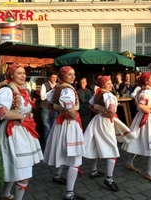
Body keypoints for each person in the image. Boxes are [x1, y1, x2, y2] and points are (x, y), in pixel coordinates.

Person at [0, 63, 44, 200]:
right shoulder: (7, 90)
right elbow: (0, 111)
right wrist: (19, 116)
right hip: (13, 133)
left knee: (16, 168)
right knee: (23, 172)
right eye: (19, 73)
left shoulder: (22, 90)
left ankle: (6, 194)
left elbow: (24, 109)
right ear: (11, 75)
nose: (23, 75)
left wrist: (28, 114)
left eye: (24, 73)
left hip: (23, 131)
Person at [84, 75, 132, 192]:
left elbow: (91, 106)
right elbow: (111, 111)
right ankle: (109, 179)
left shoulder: (97, 94)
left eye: (111, 83)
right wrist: (109, 113)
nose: (111, 85)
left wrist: (100, 111)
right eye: (108, 83)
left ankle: (94, 171)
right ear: (103, 84)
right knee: (111, 147)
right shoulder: (109, 96)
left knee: (95, 143)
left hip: (97, 120)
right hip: (105, 122)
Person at [43, 66, 85, 200]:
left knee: (62, 150)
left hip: (60, 124)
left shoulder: (58, 88)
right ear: (63, 76)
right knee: (74, 159)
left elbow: (49, 103)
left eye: (73, 74)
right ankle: (70, 194)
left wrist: (61, 109)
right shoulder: (67, 90)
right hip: (69, 124)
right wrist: (74, 115)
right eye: (69, 75)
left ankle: (57, 176)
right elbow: (69, 108)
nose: (73, 77)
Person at [122, 72, 151, 182]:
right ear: (146, 81)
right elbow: (141, 106)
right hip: (147, 118)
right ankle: (149, 173)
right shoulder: (147, 91)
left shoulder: (142, 89)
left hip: (142, 117)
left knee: (137, 140)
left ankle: (129, 163)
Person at [40, 71, 58, 143]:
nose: (54, 79)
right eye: (53, 77)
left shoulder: (58, 85)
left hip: (55, 108)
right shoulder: (44, 85)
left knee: (54, 128)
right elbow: (42, 97)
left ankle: (53, 145)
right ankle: (46, 146)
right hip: (45, 108)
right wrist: (51, 91)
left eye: (56, 78)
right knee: (47, 128)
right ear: (49, 78)